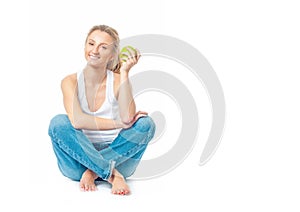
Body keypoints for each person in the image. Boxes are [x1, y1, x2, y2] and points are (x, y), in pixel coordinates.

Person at [48, 25, 156, 195]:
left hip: (119, 155)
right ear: (85, 47)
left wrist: (125, 73)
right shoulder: (69, 81)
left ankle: (93, 171)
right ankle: (112, 175)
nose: (95, 50)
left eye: (103, 47)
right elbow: (77, 121)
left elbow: (128, 117)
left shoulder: (119, 80)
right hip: (78, 159)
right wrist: (119, 123)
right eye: (91, 44)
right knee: (58, 123)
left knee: (146, 124)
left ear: (112, 54)